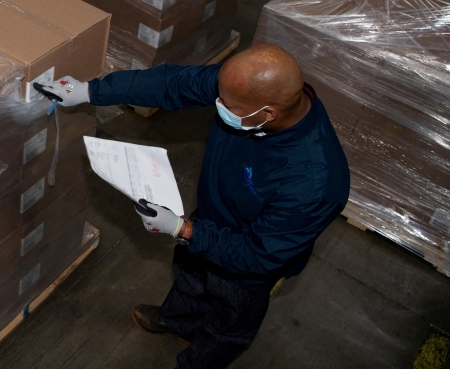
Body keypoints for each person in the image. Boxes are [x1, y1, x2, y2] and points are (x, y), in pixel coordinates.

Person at [36, 43, 350, 369]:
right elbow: (174, 83)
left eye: (229, 105)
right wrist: (91, 91)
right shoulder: (243, 89)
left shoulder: (315, 182)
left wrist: (183, 229)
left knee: (227, 320)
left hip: (249, 261)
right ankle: (179, 322)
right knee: (189, 273)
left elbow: (258, 255)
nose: (218, 106)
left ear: (268, 112)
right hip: (212, 216)